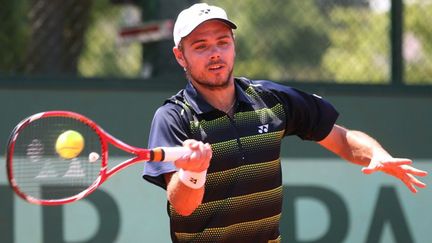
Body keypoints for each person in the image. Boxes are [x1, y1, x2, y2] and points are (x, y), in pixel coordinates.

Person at [143, 3, 428, 243]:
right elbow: (183, 205)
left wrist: (376, 154)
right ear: (181, 56)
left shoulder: (271, 99)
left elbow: (340, 138)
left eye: (222, 42)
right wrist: (195, 173)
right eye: (201, 46)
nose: (215, 53)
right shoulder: (173, 117)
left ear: (233, 46)